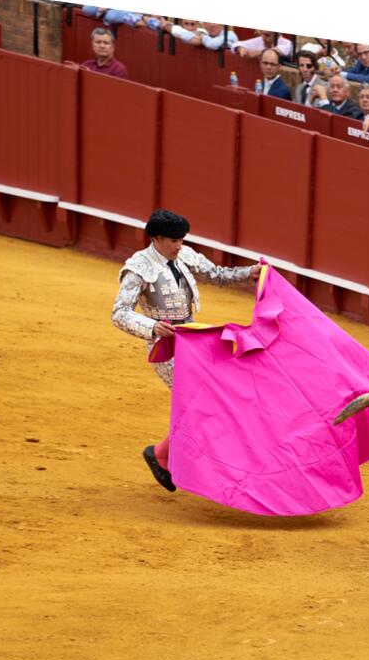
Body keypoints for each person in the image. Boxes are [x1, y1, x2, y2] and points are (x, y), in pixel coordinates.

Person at [112, 209, 261, 490]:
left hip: (193, 339)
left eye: (181, 240)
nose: (179, 246)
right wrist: (152, 326)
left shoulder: (185, 255)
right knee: (201, 403)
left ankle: (163, 454)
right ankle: (164, 454)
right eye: (173, 241)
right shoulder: (138, 267)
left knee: (207, 401)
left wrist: (249, 272)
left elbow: (216, 275)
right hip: (165, 345)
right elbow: (119, 313)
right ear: (156, 239)